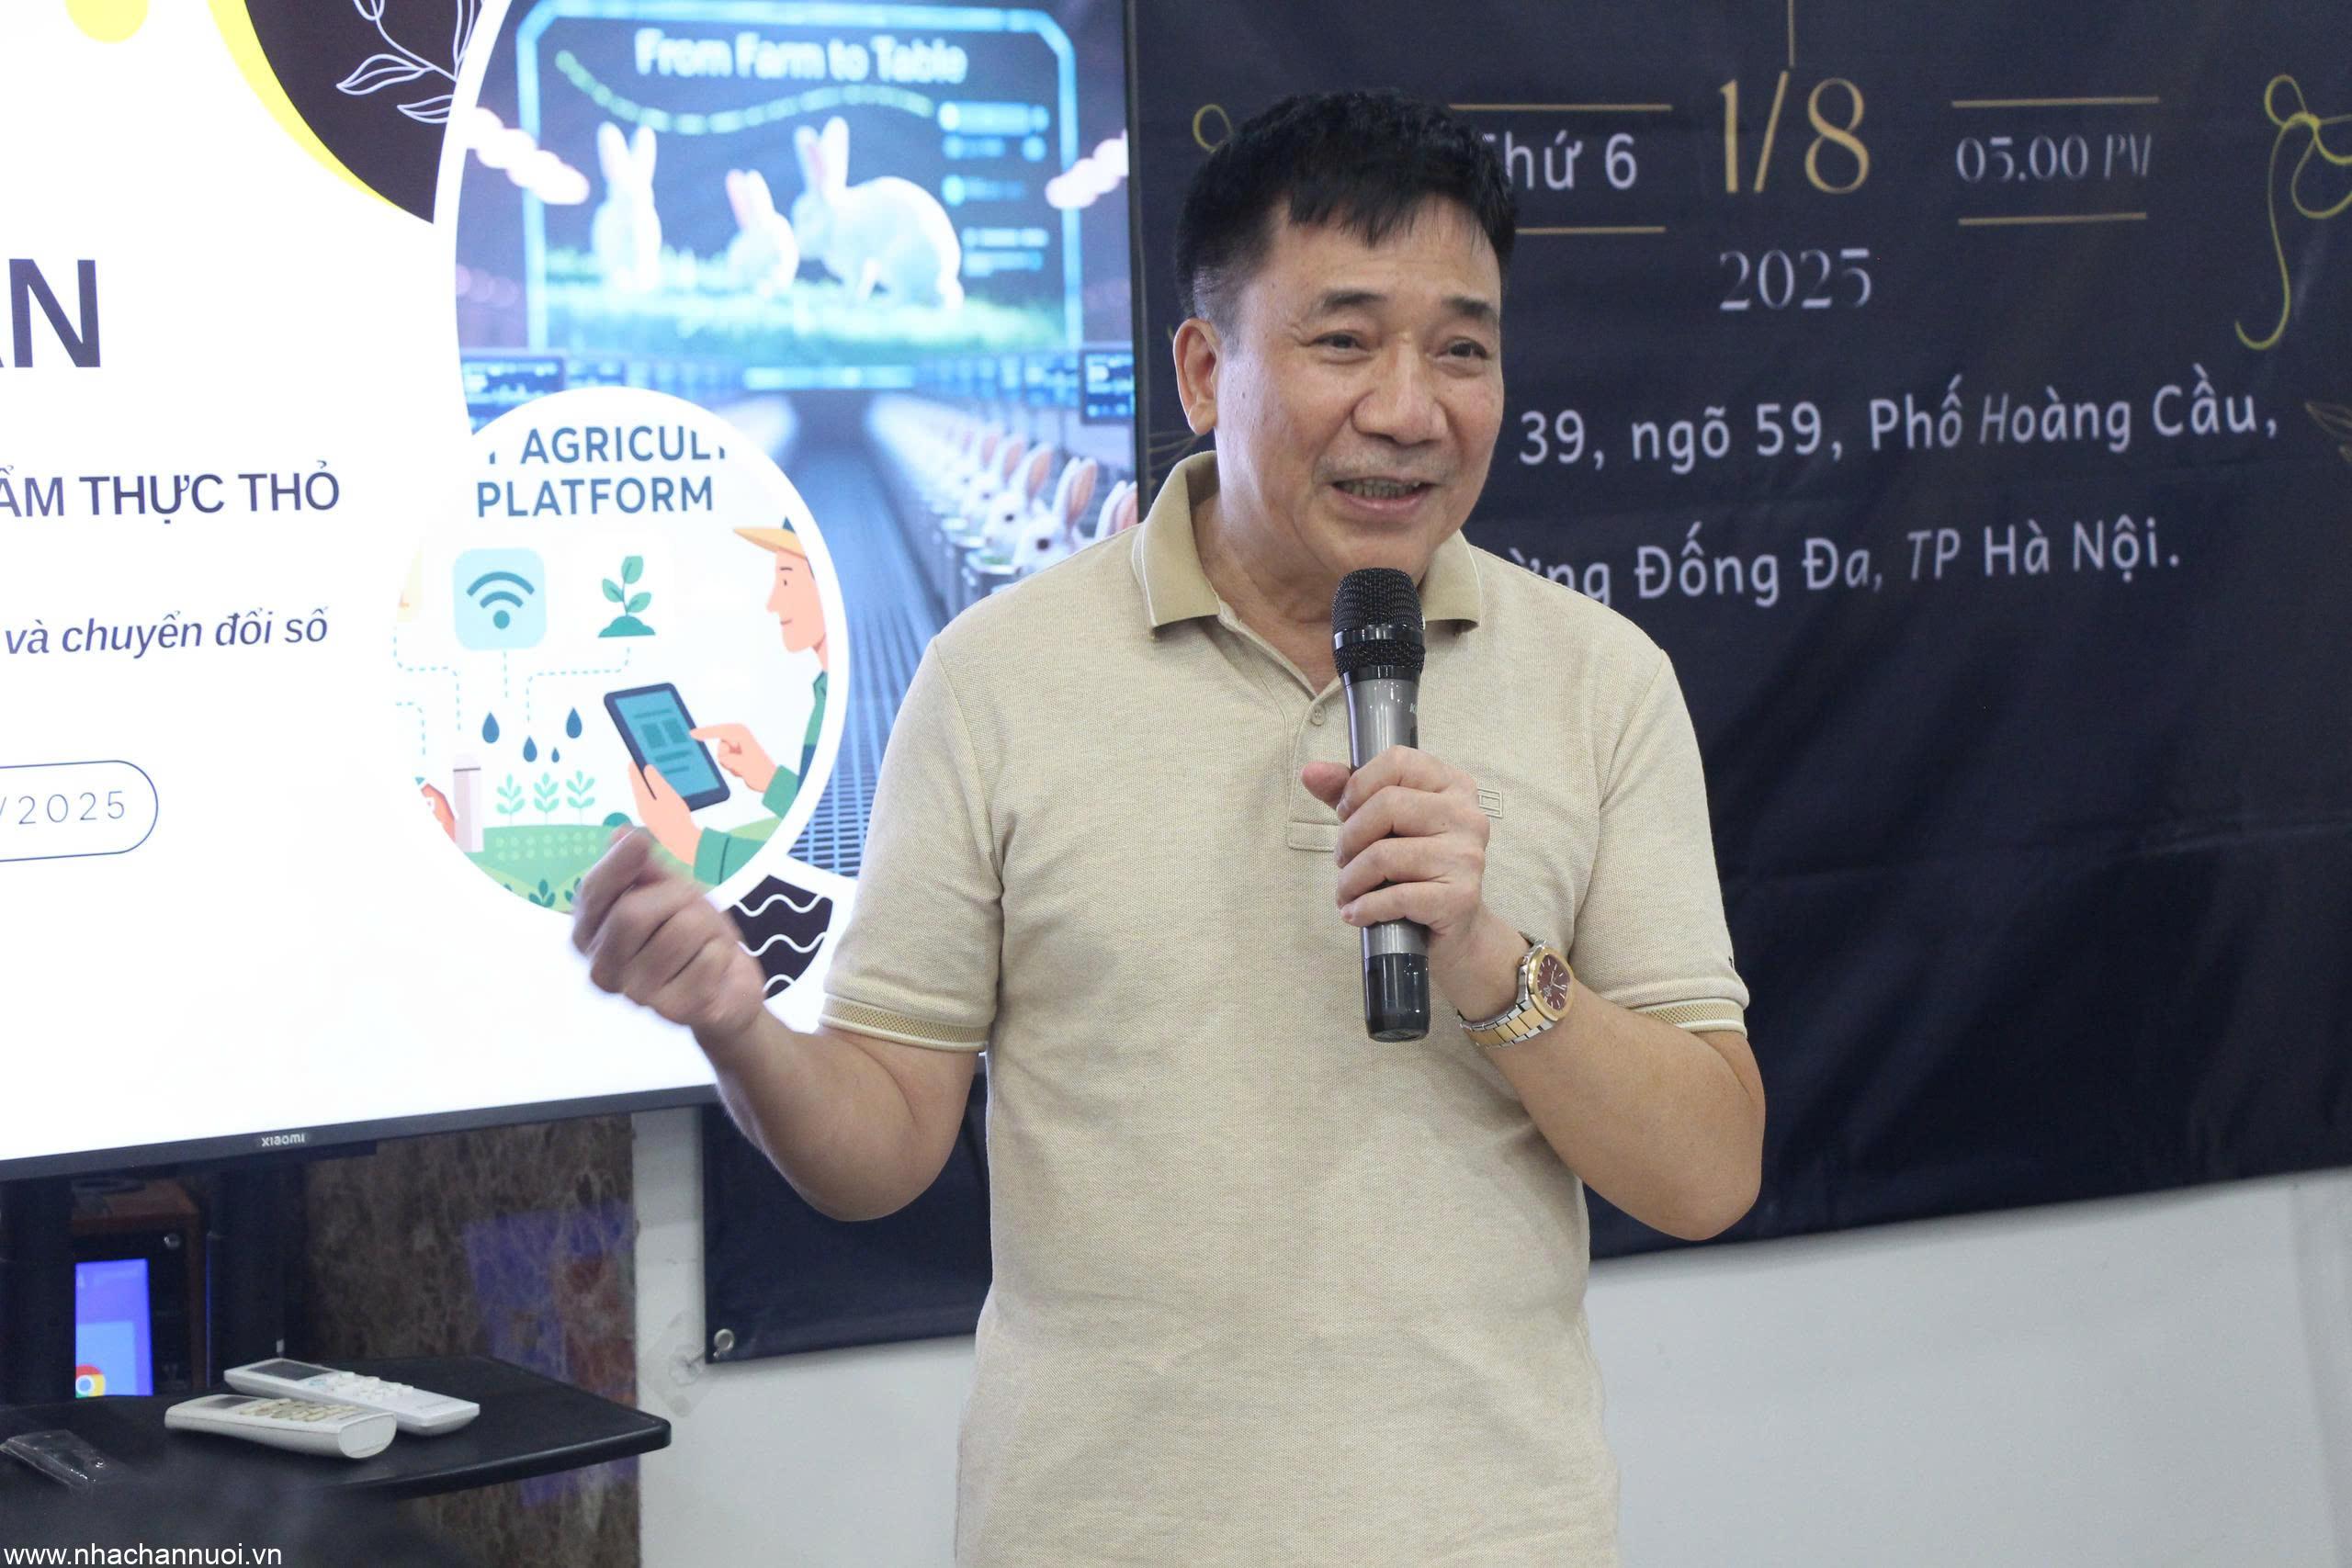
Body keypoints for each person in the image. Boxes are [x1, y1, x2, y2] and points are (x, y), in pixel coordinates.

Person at [571, 91, 1762, 1567]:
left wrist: (1491, 959)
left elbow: (1708, 1170)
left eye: (1463, 348)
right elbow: (878, 1144)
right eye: (1345, 341)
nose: (1411, 407)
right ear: (1205, 370)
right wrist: (737, 1024)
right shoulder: (999, 675)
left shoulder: (1603, 681)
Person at [628, 520, 830, 884]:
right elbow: (829, 820)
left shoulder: (837, 707)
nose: (772, 603)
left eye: (786, 581)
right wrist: (768, 779)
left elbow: (820, 868)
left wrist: (687, 840)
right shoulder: (826, 694)